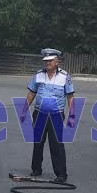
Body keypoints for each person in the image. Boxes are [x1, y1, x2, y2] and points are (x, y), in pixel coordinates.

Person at [18, 48, 75, 183]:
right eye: (46, 61)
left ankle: (61, 174)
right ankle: (36, 169)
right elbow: (32, 93)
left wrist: (72, 115)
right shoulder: (38, 75)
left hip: (56, 115)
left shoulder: (64, 77)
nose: (47, 63)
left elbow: (70, 97)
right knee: (38, 143)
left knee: (57, 144)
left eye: (50, 61)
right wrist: (23, 110)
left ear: (57, 62)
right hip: (40, 114)